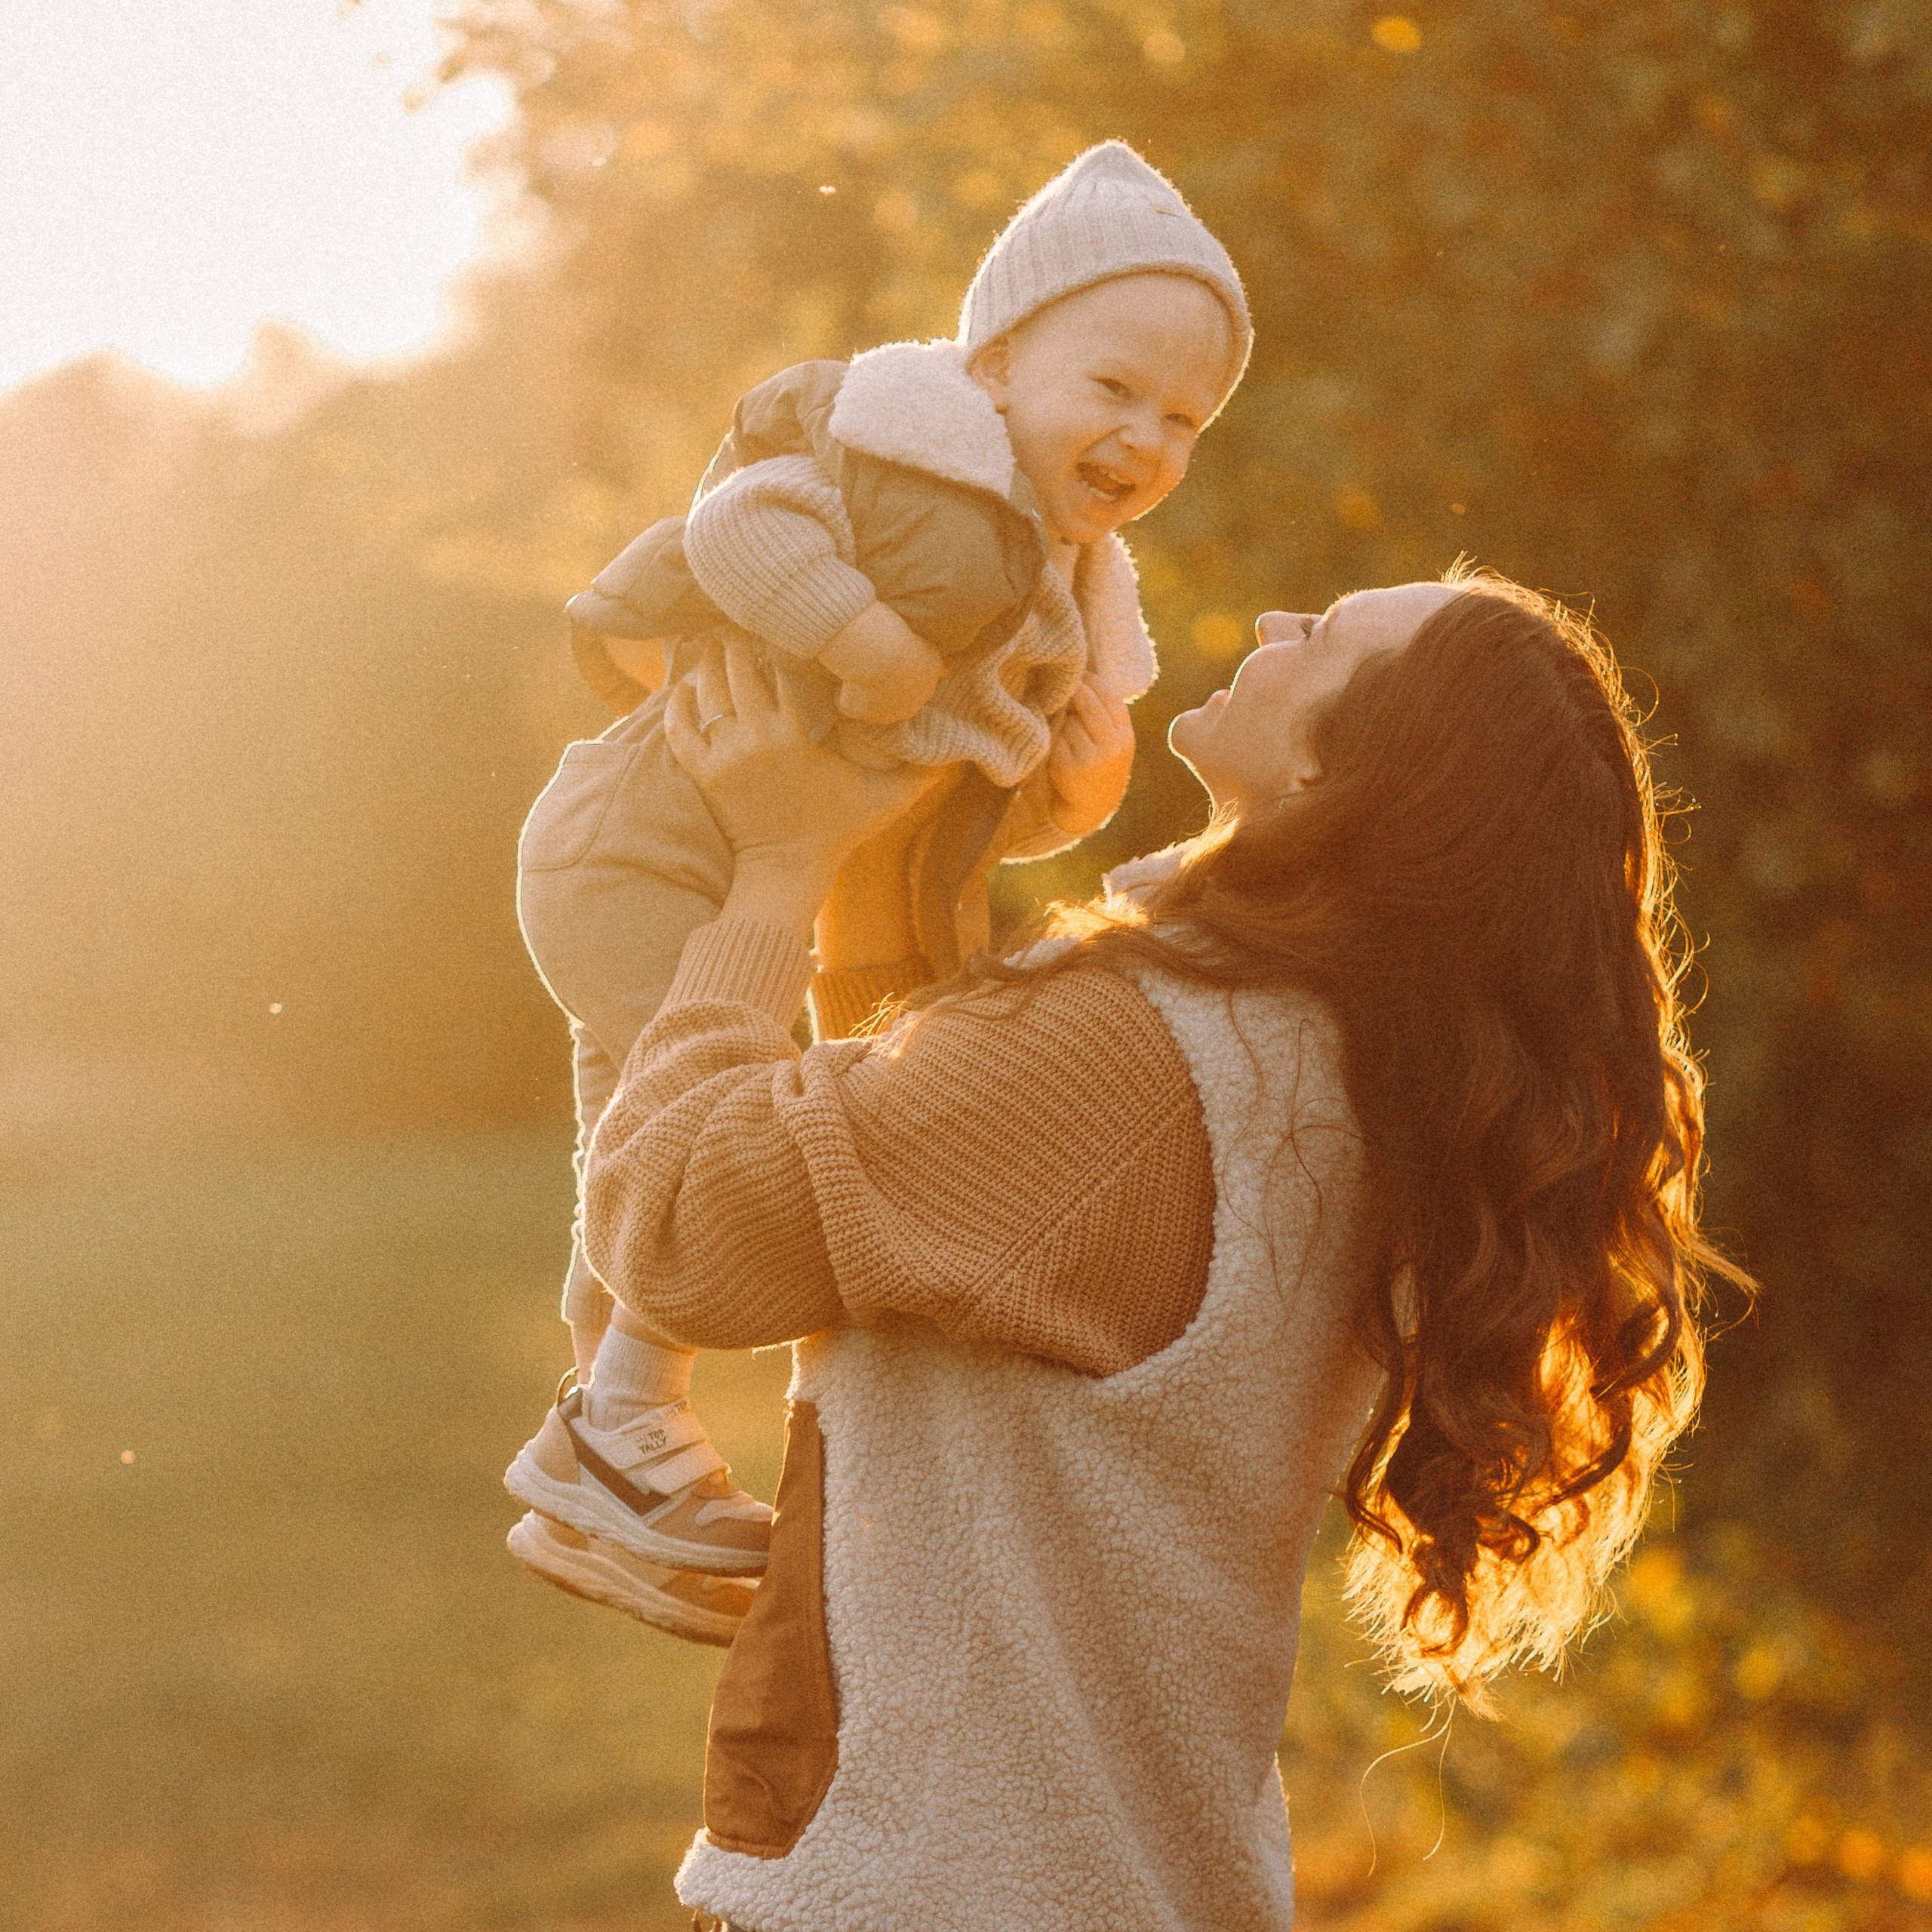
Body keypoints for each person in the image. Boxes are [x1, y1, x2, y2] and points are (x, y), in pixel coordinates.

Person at [568, 569, 1746, 1930]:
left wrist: (769, 874)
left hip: (932, 1885)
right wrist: (886, 850)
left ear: (1336, 770)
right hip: (1108, 1877)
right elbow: (925, 1192)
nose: (1270, 622)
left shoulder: (1137, 1053)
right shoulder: (1339, 1061)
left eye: (1322, 632)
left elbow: (675, 1231)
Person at [505, 141, 1252, 1632]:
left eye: (1182, 418)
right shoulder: (897, 455)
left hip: (721, 864)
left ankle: (604, 1443)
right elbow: (735, 529)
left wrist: (1074, 790)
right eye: (1112, 388)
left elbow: (931, 786)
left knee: (653, 1136)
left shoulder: (1054, 574)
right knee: (713, 1135)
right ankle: (618, 1426)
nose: (1144, 437)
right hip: (638, 845)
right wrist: (862, 639)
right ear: (993, 360)